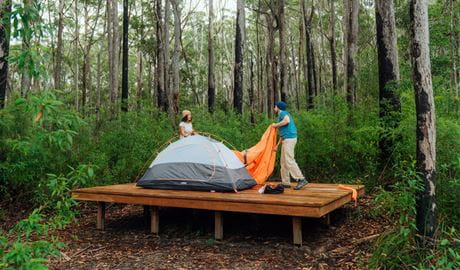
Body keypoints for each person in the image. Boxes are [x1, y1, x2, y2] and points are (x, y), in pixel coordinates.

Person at [272, 101, 309, 190]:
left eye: (275, 107)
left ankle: (301, 179)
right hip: (286, 139)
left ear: (278, 107)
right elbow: (283, 133)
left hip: (290, 139)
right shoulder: (281, 115)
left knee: (289, 160)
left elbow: (287, 121)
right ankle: (286, 182)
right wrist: (277, 145)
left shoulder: (282, 113)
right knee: (283, 162)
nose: (274, 109)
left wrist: (275, 125)